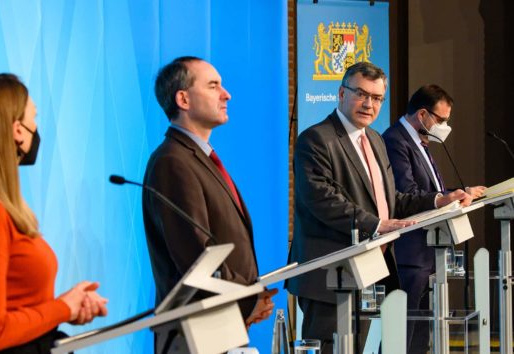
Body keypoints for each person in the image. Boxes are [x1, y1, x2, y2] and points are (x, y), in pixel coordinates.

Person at [285, 62, 472, 354]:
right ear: (341, 93)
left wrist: (440, 199)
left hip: (370, 269)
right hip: (330, 275)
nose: (369, 104)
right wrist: (376, 224)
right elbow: (322, 200)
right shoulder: (316, 139)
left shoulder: (374, 138)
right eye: (361, 94)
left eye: (377, 98)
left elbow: (391, 200)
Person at [0, 74, 108, 353]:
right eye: (34, 117)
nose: (36, 127)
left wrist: (67, 307)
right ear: (17, 129)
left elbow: (17, 308)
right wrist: (63, 307)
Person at [142, 56, 277, 351]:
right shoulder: (172, 162)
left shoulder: (197, 157)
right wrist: (248, 298)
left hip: (221, 324)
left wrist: (250, 298)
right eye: (213, 86)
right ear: (183, 99)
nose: (226, 94)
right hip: (194, 332)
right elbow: (196, 258)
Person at [382, 84, 485, 353]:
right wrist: (446, 197)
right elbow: (406, 195)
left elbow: (430, 191)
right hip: (410, 252)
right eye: (441, 120)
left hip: (427, 253)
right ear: (422, 114)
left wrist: (459, 193)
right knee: (402, 333)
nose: (445, 126)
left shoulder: (420, 141)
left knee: (419, 334)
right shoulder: (396, 140)